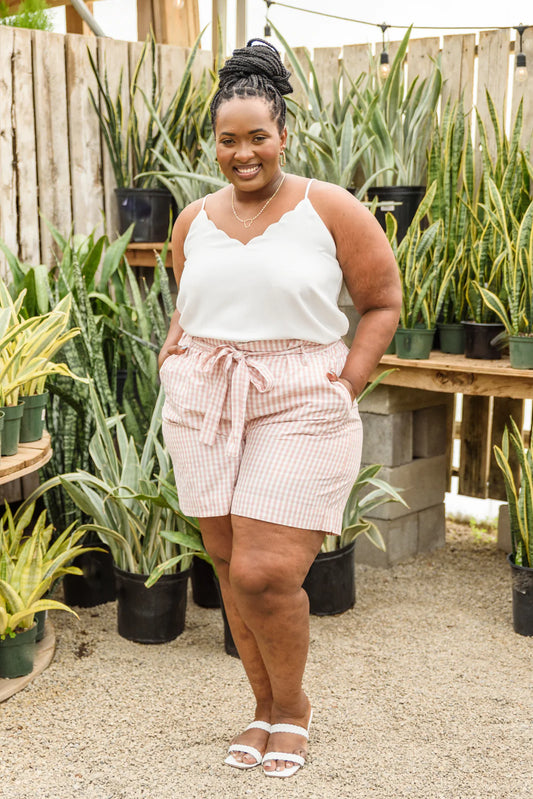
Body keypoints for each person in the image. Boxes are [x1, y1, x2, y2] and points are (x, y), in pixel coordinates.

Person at [159, 38, 401, 778]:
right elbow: (187, 303)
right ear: (214, 142)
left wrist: (345, 382)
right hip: (206, 399)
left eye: (257, 137)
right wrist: (173, 357)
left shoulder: (328, 207)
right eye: (228, 140)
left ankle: (293, 708)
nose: (243, 153)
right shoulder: (192, 219)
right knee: (228, 563)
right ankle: (261, 706)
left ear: (283, 134)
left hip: (300, 398)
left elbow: (382, 301)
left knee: (264, 573)